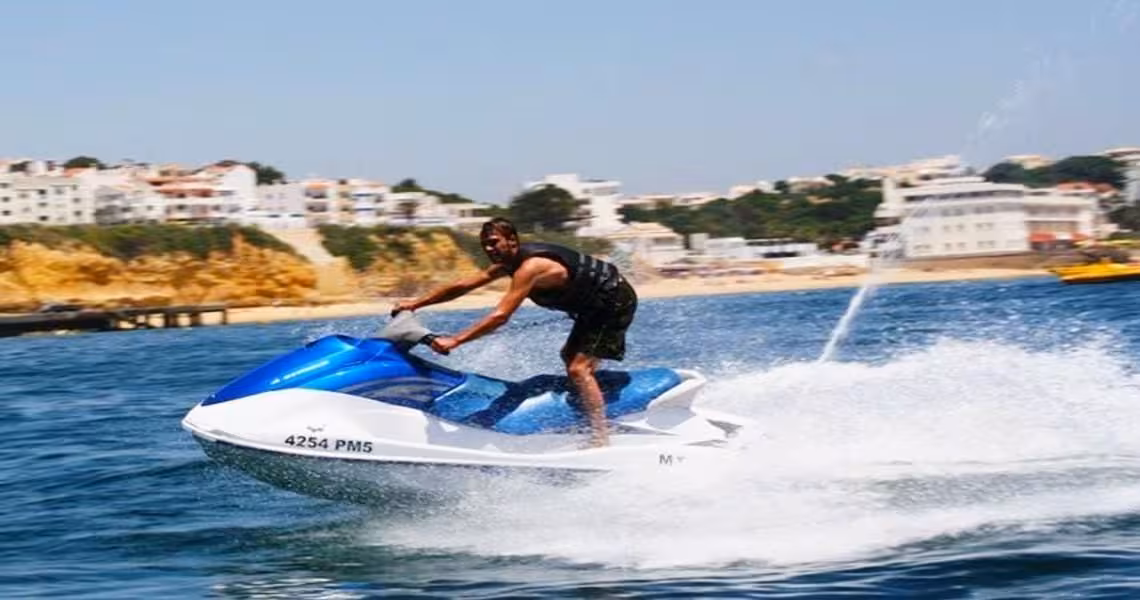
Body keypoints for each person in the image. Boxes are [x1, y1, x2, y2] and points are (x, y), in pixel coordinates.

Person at [391, 217, 638, 447]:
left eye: (494, 242)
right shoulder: (506, 265)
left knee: (578, 368)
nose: (489, 249)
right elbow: (462, 286)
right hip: (591, 307)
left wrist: (456, 340)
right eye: (484, 245)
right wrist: (415, 304)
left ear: (512, 241)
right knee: (569, 357)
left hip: (613, 301)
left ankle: (600, 435)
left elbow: (501, 316)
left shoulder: (531, 267)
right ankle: (593, 397)